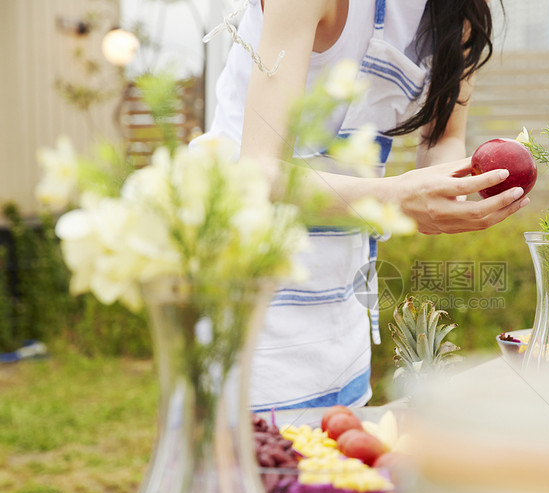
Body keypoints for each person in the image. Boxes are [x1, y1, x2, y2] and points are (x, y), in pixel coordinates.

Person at [197, 0, 527, 410]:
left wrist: (461, 184)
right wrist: (397, 199)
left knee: (338, 454)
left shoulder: (456, 16)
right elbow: (258, 174)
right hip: (247, 274)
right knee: (257, 459)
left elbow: (442, 139)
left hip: (343, 289)